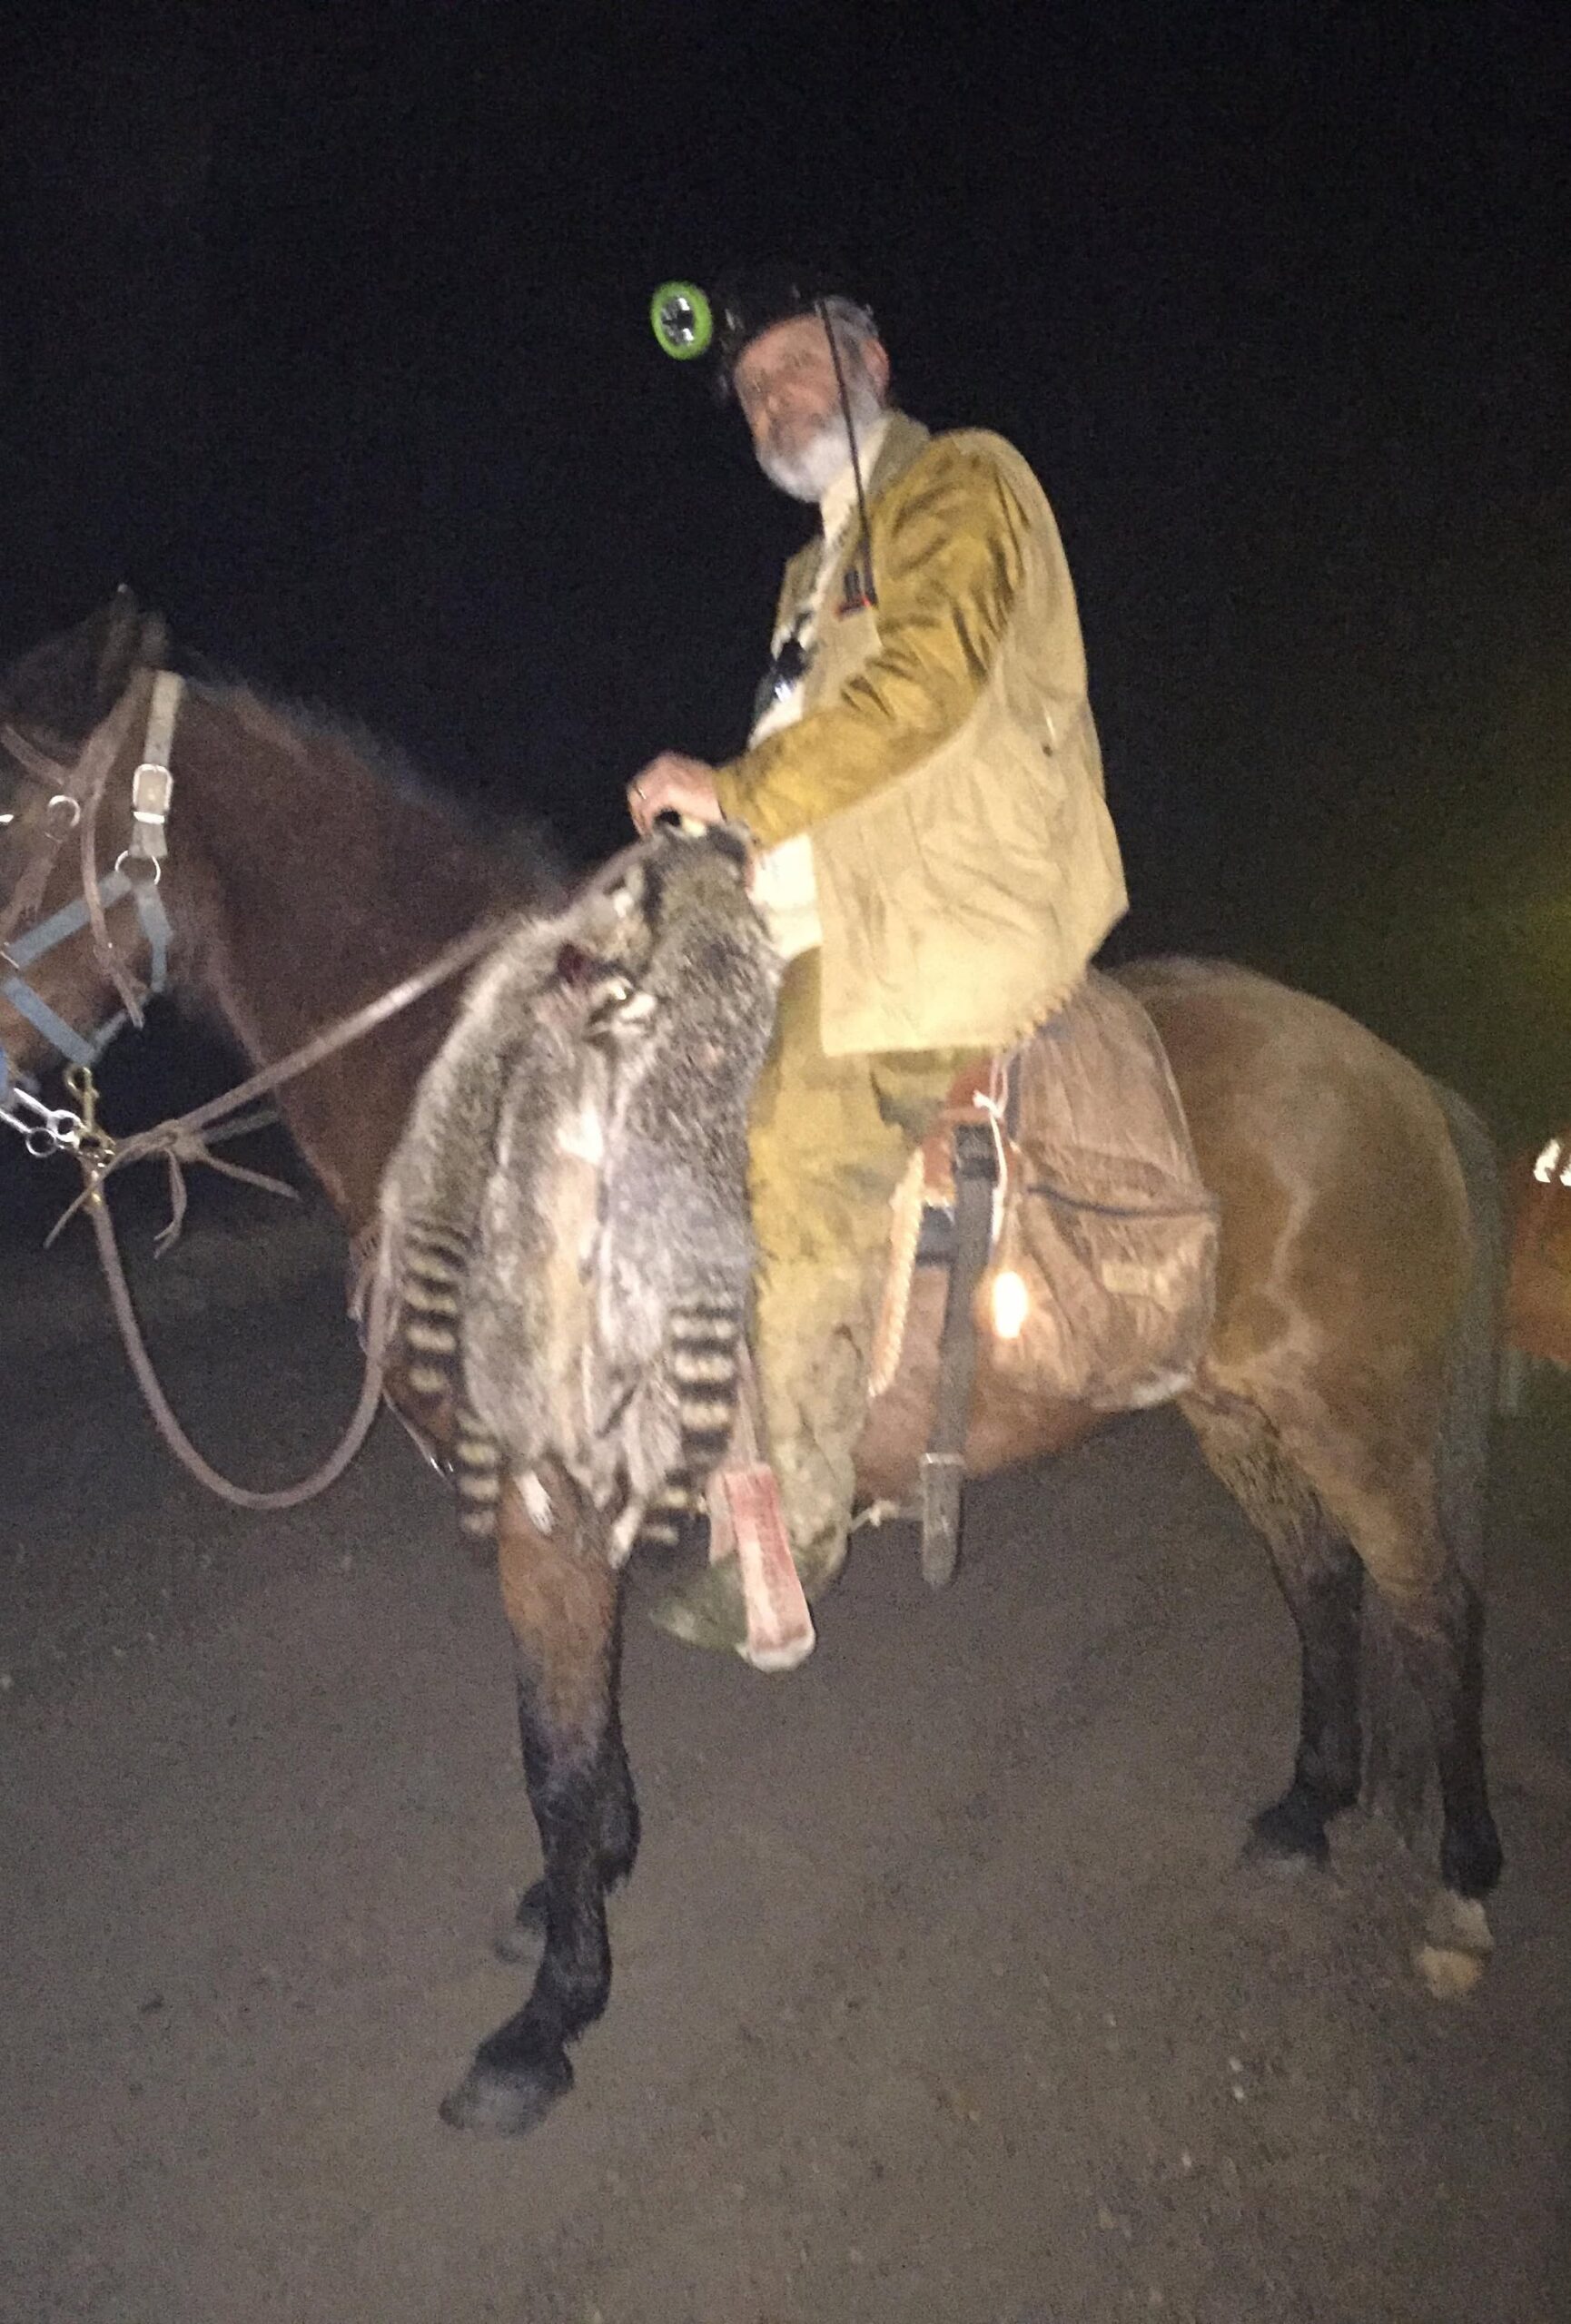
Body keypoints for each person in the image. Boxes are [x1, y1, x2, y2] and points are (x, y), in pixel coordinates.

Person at [628, 270, 1127, 1650]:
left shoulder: (959, 482)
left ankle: (792, 1542)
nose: (776, 401)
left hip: (946, 912)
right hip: (812, 925)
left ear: (869, 363)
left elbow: (927, 685)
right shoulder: (807, 569)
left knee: (793, 1148)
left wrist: (729, 788)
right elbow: (802, 780)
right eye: (753, 395)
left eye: (794, 369)